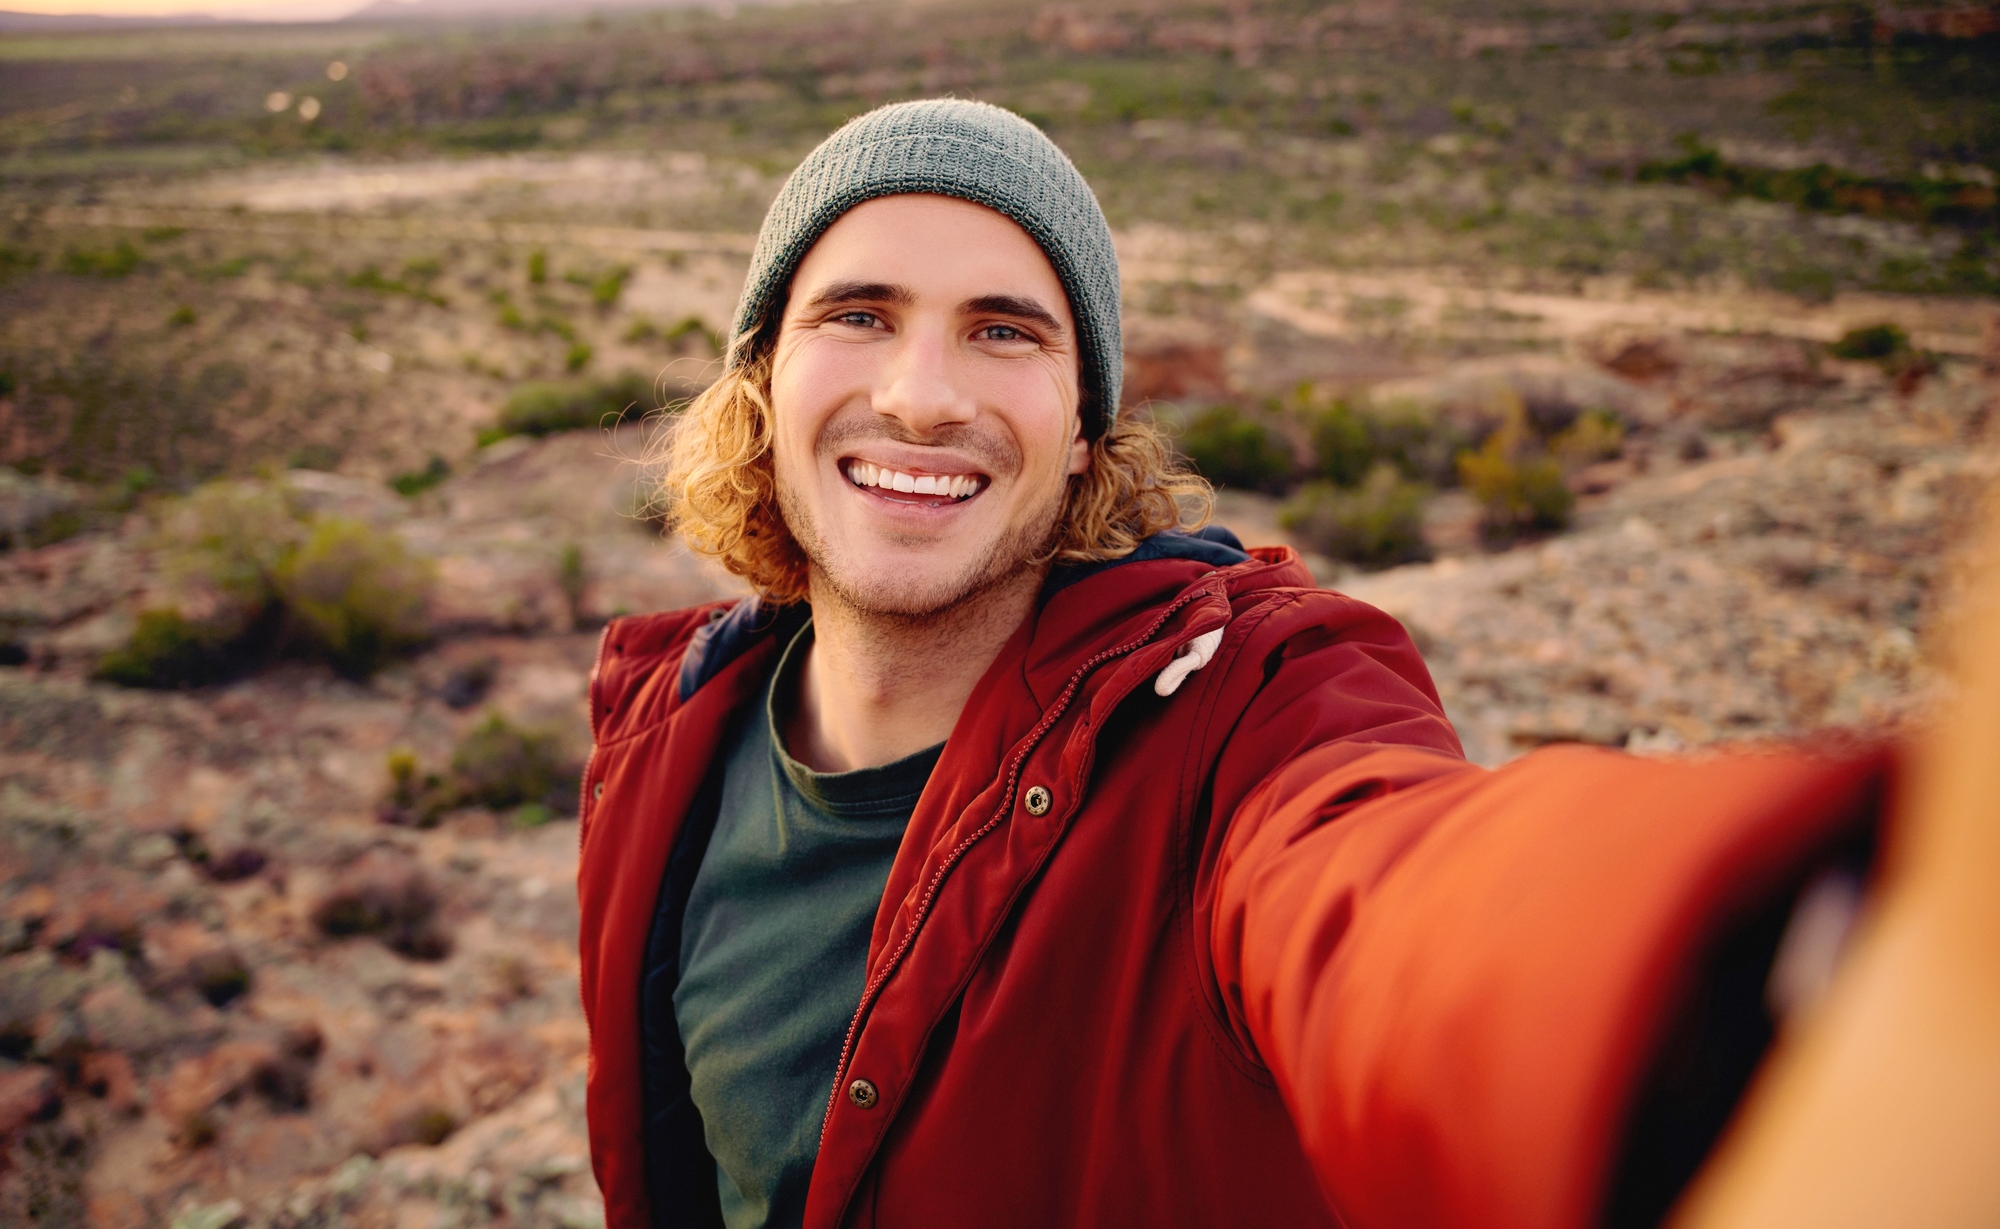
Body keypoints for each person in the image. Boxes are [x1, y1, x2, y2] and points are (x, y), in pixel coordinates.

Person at [575, 99, 1991, 1229]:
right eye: (859, 313)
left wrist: (1799, 963)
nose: (922, 394)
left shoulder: (1238, 716)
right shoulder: (666, 734)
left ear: (1082, 433)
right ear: (762, 386)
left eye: (1005, 331)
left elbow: (1389, 908)